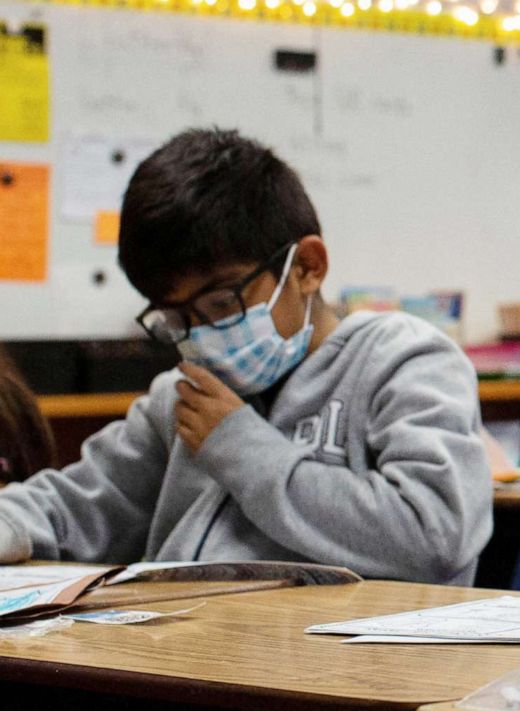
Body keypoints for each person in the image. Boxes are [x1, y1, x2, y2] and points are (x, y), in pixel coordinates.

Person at [0, 128, 492, 584]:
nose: (202, 334)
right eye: (177, 318)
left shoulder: (404, 362)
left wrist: (242, 450)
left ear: (306, 267)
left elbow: (435, 535)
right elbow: (74, 507)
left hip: (339, 666)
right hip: (183, 655)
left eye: (219, 303)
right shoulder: (183, 398)